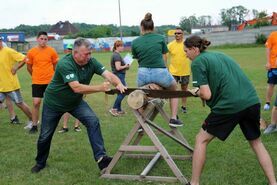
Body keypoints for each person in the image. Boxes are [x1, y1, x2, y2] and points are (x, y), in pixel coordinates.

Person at [184, 35, 277, 185]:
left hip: (230, 105)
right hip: (251, 101)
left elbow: (206, 94)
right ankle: (273, 183)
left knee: (200, 140)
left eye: (186, 51)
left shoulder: (197, 62)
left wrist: (197, 92)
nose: (185, 55)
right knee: (257, 143)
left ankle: (194, 183)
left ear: (195, 49)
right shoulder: (220, 55)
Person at [31, 38, 127, 173]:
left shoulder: (91, 62)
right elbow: (76, 88)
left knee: (93, 121)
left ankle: (101, 159)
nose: (89, 56)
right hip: (54, 104)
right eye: (86, 54)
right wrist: (100, 88)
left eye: (90, 53)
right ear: (75, 53)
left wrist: (118, 83)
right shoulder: (65, 63)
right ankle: (40, 163)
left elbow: (109, 75)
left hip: (75, 103)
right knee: (45, 135)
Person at [131, 12, 182, 127]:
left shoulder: (135, 42)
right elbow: (164, 57)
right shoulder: (160, 38)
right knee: (174, 91)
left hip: (142, 73)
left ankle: (141, 122)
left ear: (142, 27)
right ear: (153, 27)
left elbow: (138, 59)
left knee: (141, 95)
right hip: (160, 71)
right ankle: (173, 118)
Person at [25, 31, 59, 133]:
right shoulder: (31, 52)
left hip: (50, 82)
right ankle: (34, 125)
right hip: (37, 82)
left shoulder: (52, 51)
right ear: (37, 39)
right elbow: (29, 67)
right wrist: (35, 76)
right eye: (41, 38)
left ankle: (51, 123)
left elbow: (55, 66)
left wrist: (53, 77)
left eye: (45, 39)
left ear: (47, 40)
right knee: (36, 103)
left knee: (51, 103)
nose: (43, 41)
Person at [0, 37, 33, 125]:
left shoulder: (8, 51)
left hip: (11, 85)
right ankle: (13, 118)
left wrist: (16, 67)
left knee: (19, 104)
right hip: (1, 86)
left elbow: (25, 58)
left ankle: (33, 120)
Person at [167, 27, 191, 113]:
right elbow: (164, 55)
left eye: (179, 33)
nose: (177, 35)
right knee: (173, 90)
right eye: (176, 33)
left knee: (184, 89)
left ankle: (184, 106)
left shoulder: (187, 44)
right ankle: (173, 109)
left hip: (185, 71)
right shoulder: (170, 45)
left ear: (182, 34)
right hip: (173, 71)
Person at [109, 40, 129, 116]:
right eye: (121, 46)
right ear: (117, 46)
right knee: (123, 92)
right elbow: (118, 68)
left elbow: (119, 67)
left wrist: (126, 67)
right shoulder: (116, 55)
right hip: (119, 75)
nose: (122, 47)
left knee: (120, 92)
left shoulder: (116, 54)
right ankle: (114, 109)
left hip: (119, 75)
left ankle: (119, 110)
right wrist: (125, 66)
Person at [264, 31, 277, 111]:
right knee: (271, 84)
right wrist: (268, 62)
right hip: (273, 66)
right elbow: (268, 48)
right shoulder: (273, 35)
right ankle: (268, 103)